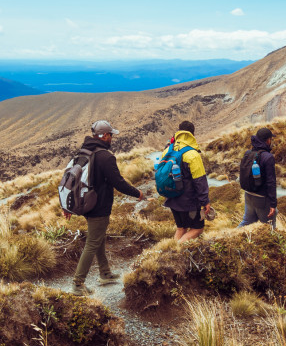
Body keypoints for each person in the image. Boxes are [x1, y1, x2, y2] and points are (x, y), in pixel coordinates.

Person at [65, 120, 145, 296]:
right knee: (93, 242)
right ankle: (78, 284)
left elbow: (69, 180)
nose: (112, 138)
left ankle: (105, 273)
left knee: (98, 237)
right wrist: (137, 193)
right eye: (111, 135)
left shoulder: (83, 152)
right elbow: (119, 183)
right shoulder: (105, 156)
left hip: (86, 203)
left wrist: (67, 206)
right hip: (98, 206)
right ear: (105, 136)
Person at [162, 120, 211, 242]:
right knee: (197, 229)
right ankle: (177, 251)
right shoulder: (192, 154)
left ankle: (171, 251)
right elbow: (200, 181)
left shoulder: (168, 150)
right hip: (188, 202)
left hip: (172, 198)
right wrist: (205, 201)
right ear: (192, 135)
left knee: (181, 228)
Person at [239, 127, 277, 228]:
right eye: (270, 139)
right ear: (268, 140)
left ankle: (227, 239)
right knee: (269, 227)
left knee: (246, 222)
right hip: (262, 199)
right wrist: (273, 204)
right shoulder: (268, 157)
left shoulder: (248, 153)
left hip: (248, 194)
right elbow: (271, 182)